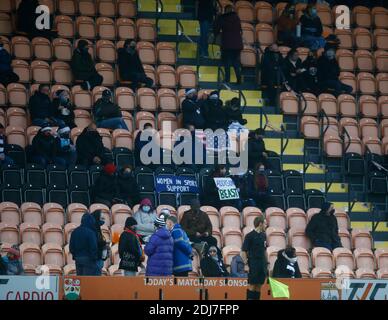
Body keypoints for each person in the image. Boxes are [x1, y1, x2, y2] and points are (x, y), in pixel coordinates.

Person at [214, 5, 243, 84]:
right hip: (237, 44)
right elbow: (241, 30)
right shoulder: (237, 17)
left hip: (227, 44)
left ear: (225, 10)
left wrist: (218, 17)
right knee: (235, 62)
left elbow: (217, 29)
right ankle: (239, 78)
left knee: (227, 62)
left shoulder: (223, 18)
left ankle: (227, 79)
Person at [241, 215, 267, 300]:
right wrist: (245, 264)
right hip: (253, 263)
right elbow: (243, 251)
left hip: (262, 264)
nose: (266, 226)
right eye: (265, 224)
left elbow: (264, 250)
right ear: (260, 224)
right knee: (252, 285)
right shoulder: (249, 236)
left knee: (259, 285)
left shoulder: (264, 235)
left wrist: (267, 263)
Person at [91, 210, 109, 276]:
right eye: (101, 218)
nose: (103, 220)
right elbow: (95, 242)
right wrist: (103, 244)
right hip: (95, 258)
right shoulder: (93, 229)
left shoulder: (98, 228)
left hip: (99, 257)